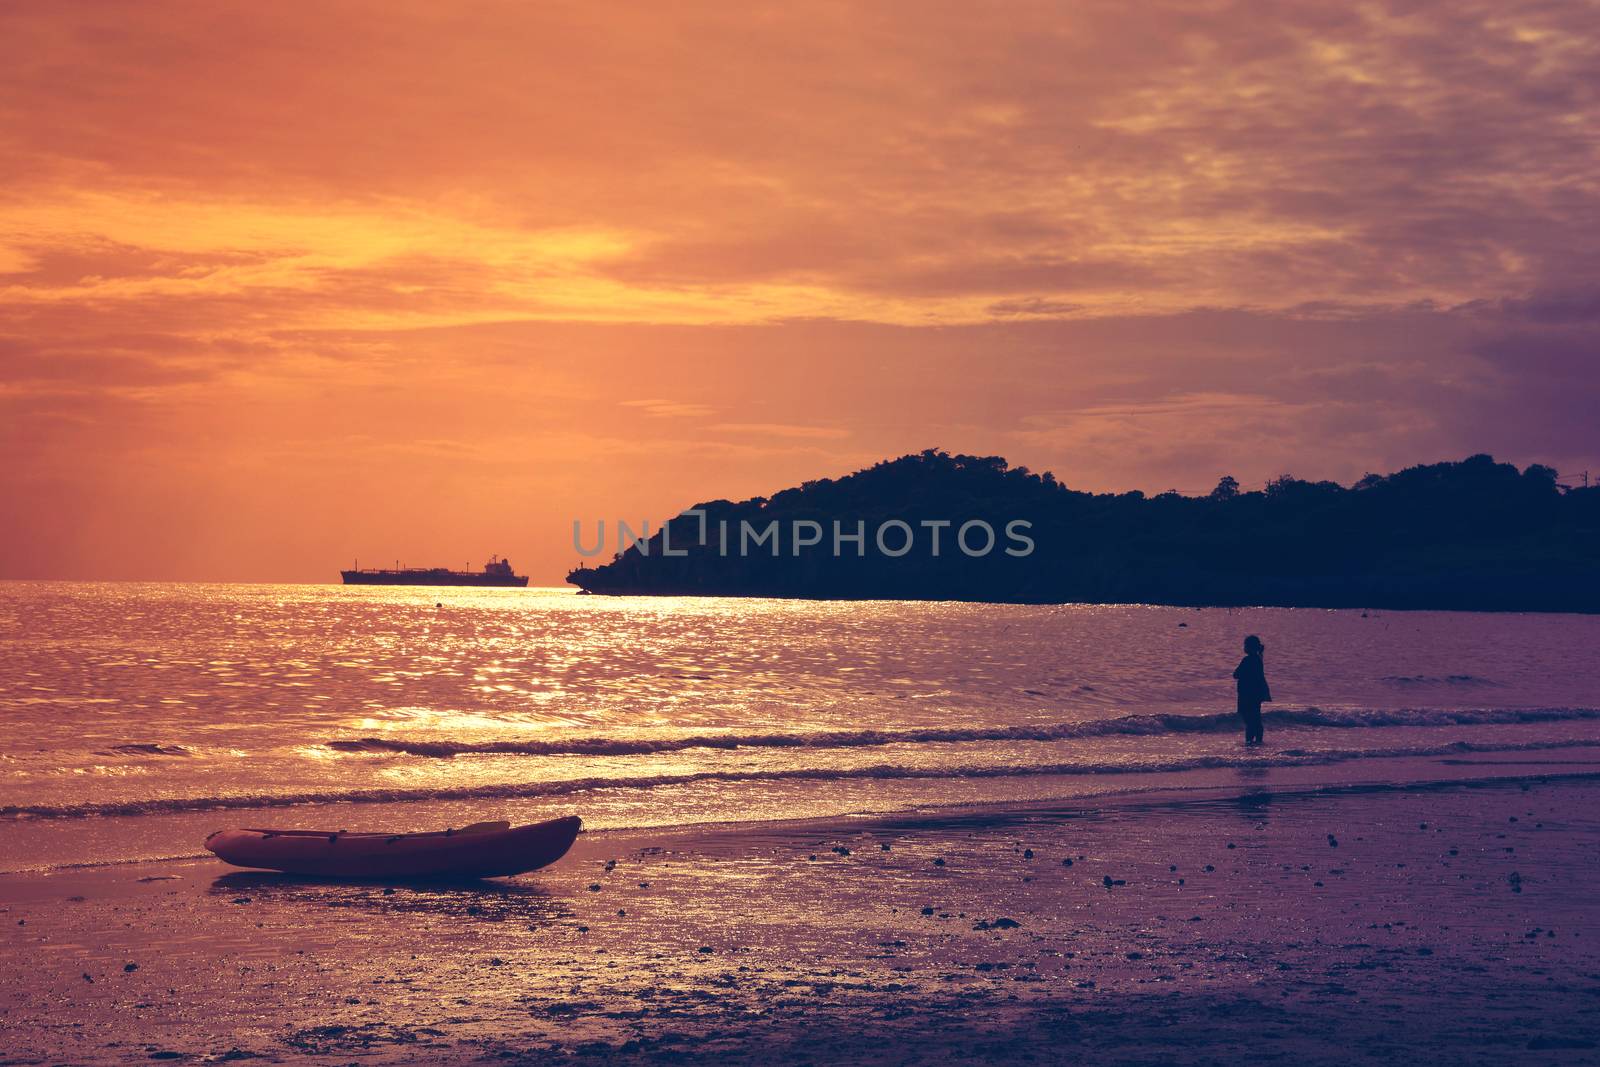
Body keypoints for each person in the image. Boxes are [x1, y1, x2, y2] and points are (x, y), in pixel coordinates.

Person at [1232, 635, 1271, 745]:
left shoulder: (1247, 660)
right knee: (1256, 718)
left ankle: (1250, 742)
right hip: (1256, 694)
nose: (1244, 647)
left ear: (1249, 647)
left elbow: (1236, 674)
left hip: (1246, 694)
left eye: (1245, 645)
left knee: (1249, 720)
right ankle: (1258, 741)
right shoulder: (1258, 659)